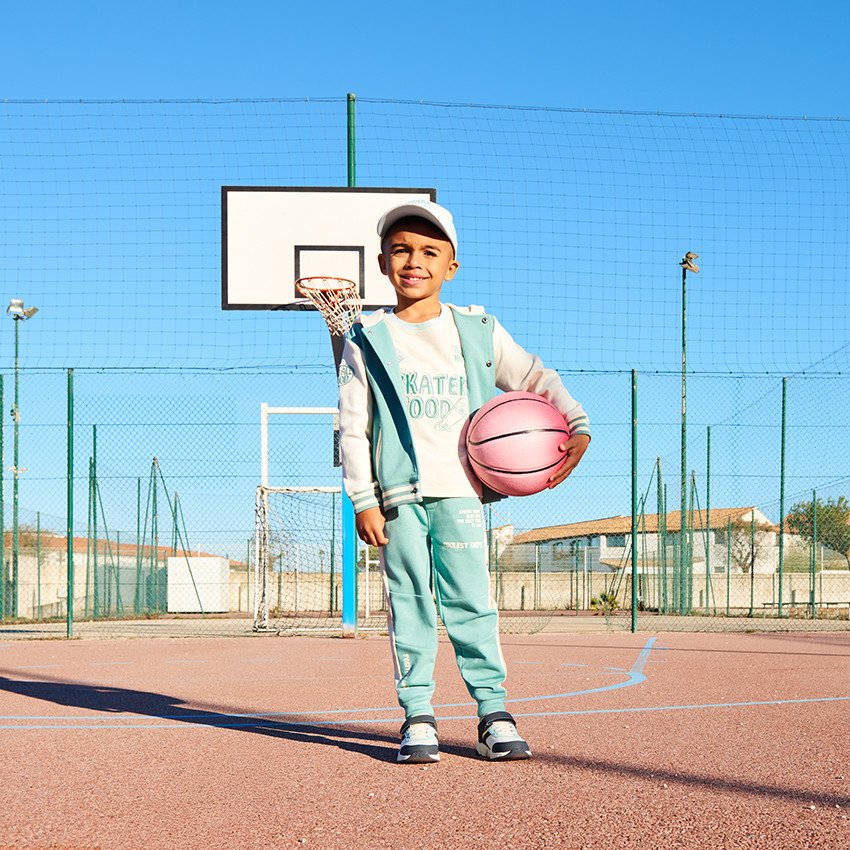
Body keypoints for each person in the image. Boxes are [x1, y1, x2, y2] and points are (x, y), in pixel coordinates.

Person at [337, 200, 590, 764]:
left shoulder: (477, 329)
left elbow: (534, 376)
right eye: (401, 249)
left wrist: (576, 424)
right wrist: (363, 498)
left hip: (463, 491)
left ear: (451, 266)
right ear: (382, 262)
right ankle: (418, 714)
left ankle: (493, 712)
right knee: (409, 604)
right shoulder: (367, 337)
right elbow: (354, 427)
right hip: (398, 499)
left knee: (472, 601)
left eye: (430, 251)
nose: (414, 261)